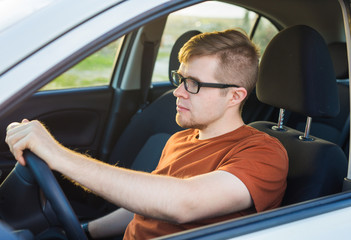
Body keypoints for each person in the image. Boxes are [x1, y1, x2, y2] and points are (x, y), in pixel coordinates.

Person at [5, 29, 288, 239]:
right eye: (180, 78)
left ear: (235, 96)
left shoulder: (264, 154)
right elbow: (145, 208)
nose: (177, 92)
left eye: (193, 84)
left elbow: (182, 203)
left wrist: (56, 154)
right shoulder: (180, 139)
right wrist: (83, 231)